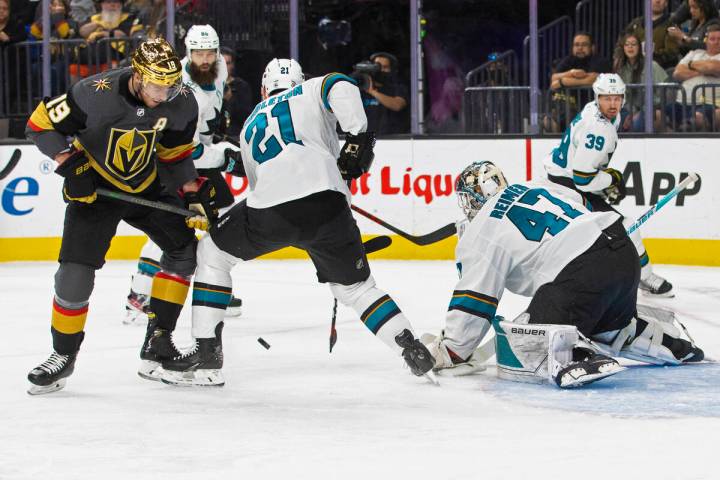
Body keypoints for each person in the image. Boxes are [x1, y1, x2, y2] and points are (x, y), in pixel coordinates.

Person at [154, 58, 434, 386]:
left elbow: (250, 176)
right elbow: (340, 82)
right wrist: (358, 136)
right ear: (302, 79)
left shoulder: (249, 126)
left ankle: (206, 356)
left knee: (212, 255)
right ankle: (412, 349)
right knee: (357, 288)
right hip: (329, 207)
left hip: (272, 211)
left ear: (262, 90)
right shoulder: (312, 89)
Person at [24, 37, 218, 395]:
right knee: (74, 273)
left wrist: (191, 190)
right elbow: (38, 125)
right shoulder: (93, 92)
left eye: (170, 84)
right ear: (138, 75)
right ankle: (62, 355)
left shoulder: (182, 100)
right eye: (157, 85)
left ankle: (158, 342)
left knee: (182, 252)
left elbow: (173, 154)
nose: (164, 94)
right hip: (96, 189)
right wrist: (70, 164)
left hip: (147, 185)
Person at [424, 162, 703, 388]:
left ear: (472, 199)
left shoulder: (481, 231)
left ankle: (576, 356)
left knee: (524, 335)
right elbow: (582, 200)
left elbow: (475, 300)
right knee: (604, 323)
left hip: (582, 274)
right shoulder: (534, 185)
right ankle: (668, 344)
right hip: (621, 253)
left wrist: (451, 350)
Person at [123, 25, 244, 325]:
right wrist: (225, 158)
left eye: (209, 53)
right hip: (172, 162)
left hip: (200, 159)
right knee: (172, 226)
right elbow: (183, 148)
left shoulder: (218, 72)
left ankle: (214, 287)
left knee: (225, 215)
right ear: (187, 53)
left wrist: (217, 131)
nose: (204, 59)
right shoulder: (179, 89)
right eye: (198, 53)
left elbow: (214, 109)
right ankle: (140, 293)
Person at [544, 73, 675, 297]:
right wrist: (611, 179)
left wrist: (604, 184)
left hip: (561, 176)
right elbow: (583, 179)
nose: (612, 104)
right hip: (567, 187)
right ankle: (645, 277)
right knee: (626, 226)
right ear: (598, 98)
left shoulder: (592, 110)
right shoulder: (599, 129)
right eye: (607, 98)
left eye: (617, 98)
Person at [546, 32, 612, 132]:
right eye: (577, 45)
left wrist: (563, 81)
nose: (580, 48)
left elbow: (594, 78)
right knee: (548, 121)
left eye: (584, 45)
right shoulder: (569, 60)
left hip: (593, 111)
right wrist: (571, 72)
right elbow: (554, 78)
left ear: (592, 47)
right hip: (566, 109)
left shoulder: (599, 61)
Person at [613, 32, 669, 131]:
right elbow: (621, 96)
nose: (630, 47)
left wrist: (640, 112)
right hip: (628, 109)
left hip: (651, 108)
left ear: (639, 47)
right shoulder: (621, 69)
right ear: (623, 48)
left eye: (634, 44)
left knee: (637, 125)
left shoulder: (652, 65)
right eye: (627, 44)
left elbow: (664, 93)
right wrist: (631, 113)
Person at [670, 24, 720, 131]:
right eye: (712, 39)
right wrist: (702, 71)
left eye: (719, 39)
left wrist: (690, 65)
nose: (716, 42)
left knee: (696, 119)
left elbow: (710, 67)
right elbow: (677, 73)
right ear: (706, 41)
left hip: (709, 104)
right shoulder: (694, 53)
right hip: (681, 103)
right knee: (655, 114)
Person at [360, 52, 409, 135]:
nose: (380, 70)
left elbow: (398, 105)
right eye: (377, 66)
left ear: (392, 69)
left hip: (391, 140)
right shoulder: (362, 87)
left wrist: (373, 92)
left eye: (385, 67)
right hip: (366, 139)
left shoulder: (398, 87)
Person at [624, 0, 681, 69]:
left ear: (666, 3)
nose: (657, 1)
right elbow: (622, 45)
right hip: (634, 69)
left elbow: (671, 53)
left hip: (661, 71)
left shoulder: (671, 24)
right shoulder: (635, 24)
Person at [217, 46, 254, 138]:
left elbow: (246, 117)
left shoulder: (242, 86)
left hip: (235, 137)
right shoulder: (208, 86)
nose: (224, 67)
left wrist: (230, 100)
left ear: (232, 65)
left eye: (228, 63)